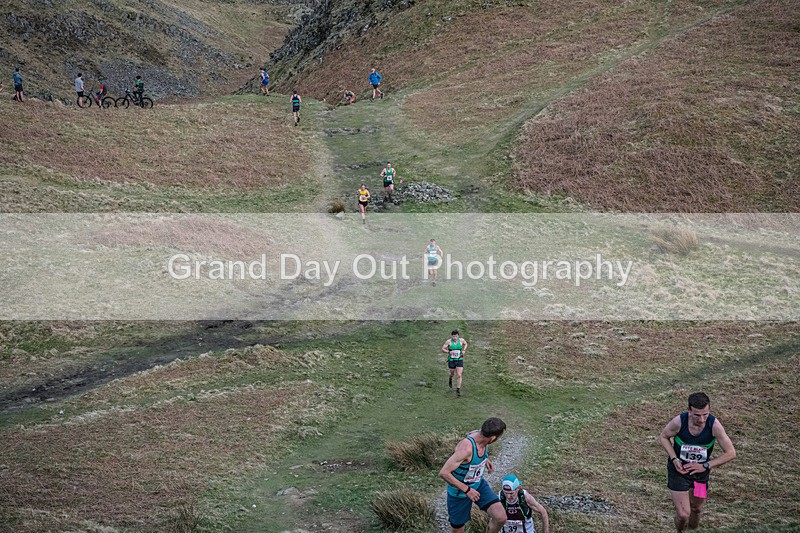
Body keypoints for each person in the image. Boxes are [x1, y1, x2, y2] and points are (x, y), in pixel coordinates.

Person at [659, 392, 737, 533]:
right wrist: (674, 458)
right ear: (689, 410)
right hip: (679, 471)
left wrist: (705, 466)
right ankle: (680, 531)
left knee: (697, 508)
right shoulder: (679, 422)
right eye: (697, 415)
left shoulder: (714, 425)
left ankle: (692, 530)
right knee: (683, 514)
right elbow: (664, 436)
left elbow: (731, 453)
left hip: (700, 475)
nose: (701, 419)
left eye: (705, 414)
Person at [439, 417, 507, 533]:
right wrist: (467, 490)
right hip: (460, 493)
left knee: (500, 517)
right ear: (493, 438)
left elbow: (476, 449)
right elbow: (444, 473)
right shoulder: (466, 449)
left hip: (478, 484)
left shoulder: (481, 434)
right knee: (458, 529)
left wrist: (485, 460)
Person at [442, 329, 468, 396]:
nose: (455, 338)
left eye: (456, 336)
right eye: (453, 336)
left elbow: (466, 344)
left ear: (458, 336)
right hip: (452, 360)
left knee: (459, 374)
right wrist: (448, 352)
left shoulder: (461, 340)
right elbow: (443, 349)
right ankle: (450, 377)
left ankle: (458, 390)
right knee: (452, 373)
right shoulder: (448, 342)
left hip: (459, 359)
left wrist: (464, 350)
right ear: (452, 336)